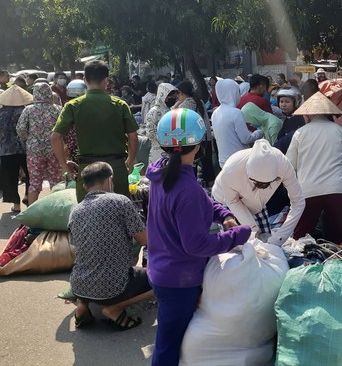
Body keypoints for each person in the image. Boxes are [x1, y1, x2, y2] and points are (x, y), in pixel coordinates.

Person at [146, 109, 250, 365]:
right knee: (167, 347)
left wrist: (224, 214)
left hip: (163, 269)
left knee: (175, 342)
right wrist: (237, 235)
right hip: (178, 280)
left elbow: (203, 203)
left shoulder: (161, 172)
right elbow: (196, 245)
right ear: (200, 144)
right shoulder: (186, 187)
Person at [68, 162, 154, 330]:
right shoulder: (120, 201)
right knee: (164, 282)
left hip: (78, 285)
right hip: (113, 287)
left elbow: (77, 248)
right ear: (109, 180)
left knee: (91, 267)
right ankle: (114, 309)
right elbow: (145, 240)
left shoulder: (75, 211)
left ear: (85, 186)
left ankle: (83, 306)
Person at [51, 60, 139, 202]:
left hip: (88, 170)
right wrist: (130, 160)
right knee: (120, 212)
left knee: (87, 213)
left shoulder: (72, 106)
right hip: (116, 168)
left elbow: (55, 137)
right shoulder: (120, 105)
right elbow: (133, 137)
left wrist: (64, 165)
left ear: (85, 80)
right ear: (106, 81)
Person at [286, 92, 342, 243]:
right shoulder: (339, 131)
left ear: (308, 115)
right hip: (337, 189)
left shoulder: (300, 133)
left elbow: (290, 165)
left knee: (300, 237)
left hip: (307, 190)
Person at [212, 138, 306, 245]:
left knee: (267, 245)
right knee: (237, 248)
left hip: (257, 205)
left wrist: (280, 237)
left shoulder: (283, 164)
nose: (262, 187)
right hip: (226, 202)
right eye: (257, 183)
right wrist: (254, 231)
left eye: (268, 184)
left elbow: (298, 201)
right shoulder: (231, 169)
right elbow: (233, 201)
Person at [16, 83, 62, 205]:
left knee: (35, 183)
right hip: (54, 150)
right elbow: (64, 129)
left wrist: (29, 139)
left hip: (34, 151)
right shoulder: (57, 109)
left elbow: (20, 129)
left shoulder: (29, 110)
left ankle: (31, 214)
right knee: (56, 182)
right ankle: (56, 210)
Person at [211, 78, 263, 169]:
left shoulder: (215, 113)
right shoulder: (236, 113)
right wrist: (259, 133)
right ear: (233, 92)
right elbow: (246, 139)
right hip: (239, 160)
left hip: (223, 161)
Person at [173, 81, 215, 184]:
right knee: (208, 166)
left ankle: (193, 188)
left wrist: (176, 105)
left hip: (194, 140)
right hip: (206, 137)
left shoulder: (185, 105)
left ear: (181, 93)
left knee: (192, 166)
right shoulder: (199, 101)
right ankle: (211, 189)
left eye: (177, 94)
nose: (177, 97)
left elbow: (174, 116)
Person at [0, 85, 33, 213]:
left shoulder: (1, 113)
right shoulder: (26, 111)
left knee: (10, 177)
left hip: (6, 150)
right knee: (30, 175)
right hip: (25, 148)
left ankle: (16, 205)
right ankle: (29, 198)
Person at [145, 83, 177, 165]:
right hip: (158, 151)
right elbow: (150, 132)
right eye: (170, 97)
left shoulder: (171, 111)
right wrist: (166, 138)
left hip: (173, 151)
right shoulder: (154, 112)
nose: (173, 99)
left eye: (174, 97)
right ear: (163, 96)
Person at [273, 87, 306, 153]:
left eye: (287, 102)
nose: (283, 105)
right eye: (281, 101)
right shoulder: (289, 118)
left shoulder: (297, 119)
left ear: (296, 103)